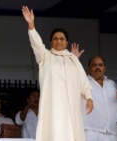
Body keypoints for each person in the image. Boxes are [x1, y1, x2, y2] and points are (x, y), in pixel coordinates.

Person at [21, 6, 94, 141]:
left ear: (66, 42)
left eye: (62, 38)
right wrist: (31, 25)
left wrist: (89, 98)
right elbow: (36, 44)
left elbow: (83, 81)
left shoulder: (73, 60)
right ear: (50, 42)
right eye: (55, 38)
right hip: (52, 106)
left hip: (71, 108)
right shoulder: (45, 57)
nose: (59, 40)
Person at [82, 56, 117, 141]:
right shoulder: (83, 83)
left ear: (104, 68)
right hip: (91, 130)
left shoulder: (112, 83)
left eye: (100, 65)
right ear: (89, 68)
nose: (97, 67)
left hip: (112, 131)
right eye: (94, 65)